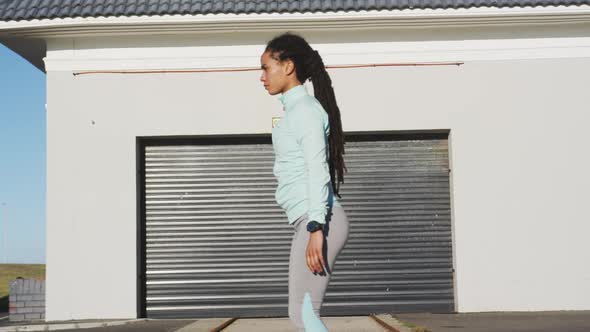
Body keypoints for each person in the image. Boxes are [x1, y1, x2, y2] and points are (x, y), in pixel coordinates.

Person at [259, 31, 350, 332]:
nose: (262, 77)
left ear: (287, 67)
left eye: (266, 68)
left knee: (304, 314)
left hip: (319, 220)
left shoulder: (306, 112)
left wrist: (315, 227)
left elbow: (316, 170)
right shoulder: (294, 112)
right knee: (301, 314)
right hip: (311, 220)